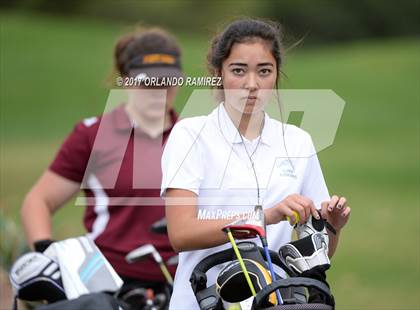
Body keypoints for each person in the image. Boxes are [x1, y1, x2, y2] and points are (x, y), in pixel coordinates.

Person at [161, 18, 351, 309]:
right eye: (239, 70)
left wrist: (331, 228)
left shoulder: (298, 141)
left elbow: (317, 254)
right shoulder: (189, 134)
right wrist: (265, 216)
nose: (252, 84)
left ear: (276, 75)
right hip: (200, 301)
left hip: (274, 301)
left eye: (264, 71)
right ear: (218, 74)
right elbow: (181, 233)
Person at [21, 27, 183, 300]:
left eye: (166, 81)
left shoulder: (196, 135)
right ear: (126, 80)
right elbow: (38, 201)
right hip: (107, 285)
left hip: (183, 282)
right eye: (148, 82)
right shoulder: (92, 135)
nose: (158, 90)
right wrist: (47, 254)